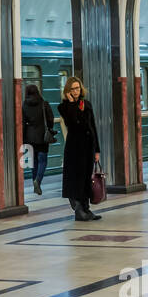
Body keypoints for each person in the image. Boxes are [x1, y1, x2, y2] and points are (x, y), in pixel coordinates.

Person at [56, 76, 101, 222]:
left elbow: (92, 126)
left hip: (88, 146)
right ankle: (79, 210)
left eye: (78, 88)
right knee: (76, 178)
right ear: (68, 91)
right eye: (73, 89)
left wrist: (97, 150)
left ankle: (86, 209)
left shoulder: (86, 104)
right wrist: (72, 103)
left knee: (86, 177)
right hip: (75, 148)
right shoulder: (64, 107)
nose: (76, 91)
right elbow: (73, 122)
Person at [21, 83, 56, 197]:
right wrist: (49, 129)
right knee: (43, 160)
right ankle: (38, 181)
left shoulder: (24, 105)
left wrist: (23, 137)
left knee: (34, 161)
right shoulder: (44, 104)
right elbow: (50, 119)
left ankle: (34, 182)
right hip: (42, 137)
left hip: (29, 137)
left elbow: (22, 123)